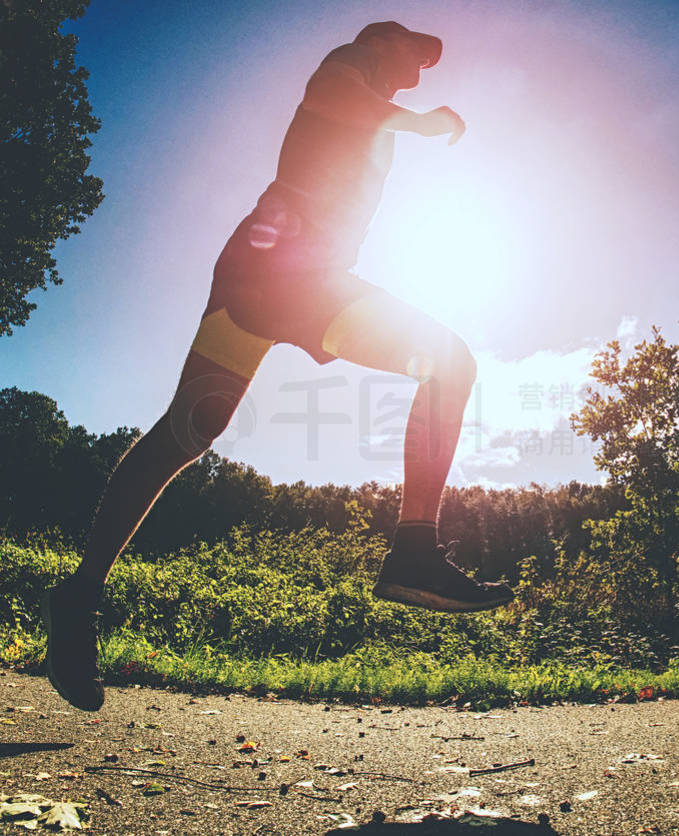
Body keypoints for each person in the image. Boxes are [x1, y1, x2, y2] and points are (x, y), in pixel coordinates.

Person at [41, 21, 514, 712]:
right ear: (381, 42)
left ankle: (78, 595)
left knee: (187, 433)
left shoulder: (373, 108)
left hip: (264, 270)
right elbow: (332, 95)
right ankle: (413, 548)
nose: (420, 69)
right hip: (293, 269)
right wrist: (417, 122)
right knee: (448, 363)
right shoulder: (348, 67)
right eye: (414, 52)